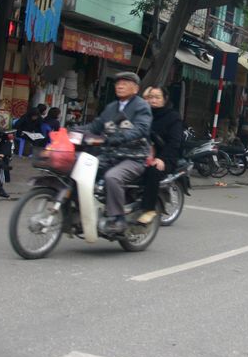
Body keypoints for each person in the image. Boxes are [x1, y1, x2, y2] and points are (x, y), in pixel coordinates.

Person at [74, 71, 152, 234]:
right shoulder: (111, 107)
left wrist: (118, 138)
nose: (120, 86)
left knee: (112, 177)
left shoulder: (141, 106)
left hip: (134, 158)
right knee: (78, 169)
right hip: (110, 155)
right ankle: (79, 211)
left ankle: (118, 218)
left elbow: (141, 129)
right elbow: (95, 127)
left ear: (136, 88)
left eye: (125, 83)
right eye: (118, 83)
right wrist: (71, 131)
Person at [141, 86, 183, 211]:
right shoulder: (143, 114)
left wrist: (162, 159)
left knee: (153, 172)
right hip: (140, 153)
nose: (153, 100)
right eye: (150, 97)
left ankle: (147, 211)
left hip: (165, 156)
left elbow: (174, 142)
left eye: (157, 97)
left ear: (165, 99)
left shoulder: (173, 117)